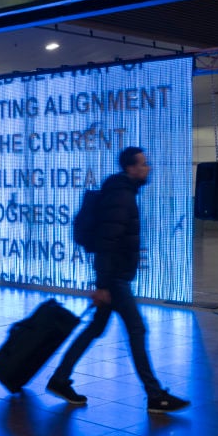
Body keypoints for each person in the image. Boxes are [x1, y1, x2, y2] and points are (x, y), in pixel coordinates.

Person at [47, 147, 190, 415]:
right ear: (130, 168)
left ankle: (59, 379)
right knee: (137, 330)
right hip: (114, 280)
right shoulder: (121, 196)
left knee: (94, 330)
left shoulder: (121, 193)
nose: (148, 168)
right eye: (144, 164)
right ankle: (155, 395)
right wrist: (102, 285)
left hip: (114, 277)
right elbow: (107, 243)